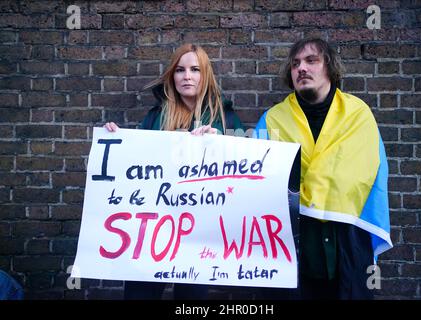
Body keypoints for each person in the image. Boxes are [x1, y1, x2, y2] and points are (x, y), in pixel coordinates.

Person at [253, 38, 392, 300]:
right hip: (291, 246)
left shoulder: (357, 115)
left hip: (346, 244)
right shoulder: (272, 119)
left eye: (311, 61)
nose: (301, 68)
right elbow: (252, 176)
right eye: (295, 64)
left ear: (329, 67)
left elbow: (369, 177)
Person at [104, 43, 244, 299]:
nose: (187, 76)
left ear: (206, 75)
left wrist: (221, 140)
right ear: (172, 76)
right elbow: (131, 165)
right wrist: (115, 140)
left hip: (201, 232)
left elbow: (245, 167)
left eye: (195, 69)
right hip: (153, 230)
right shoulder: (155, 116)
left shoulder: (226, 118)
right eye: (180, 70)